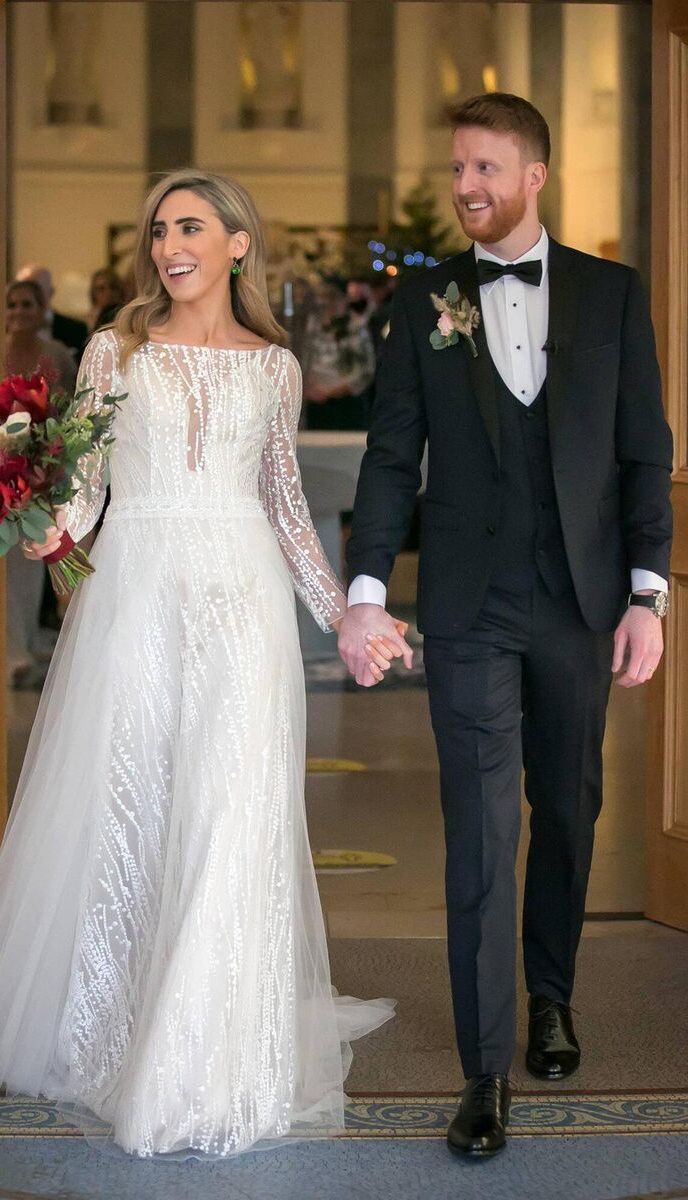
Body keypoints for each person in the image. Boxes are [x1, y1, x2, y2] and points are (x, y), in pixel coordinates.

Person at [0, 169, 396, 1159]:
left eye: (190, 225)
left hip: (243, 608)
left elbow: (283, 505)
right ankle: (114, 1037)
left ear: (236, 243)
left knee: (234, 817)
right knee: (134, 813)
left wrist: (344, 616)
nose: (169, 244)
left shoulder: (273, 367)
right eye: (157, 231)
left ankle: (212, 1061)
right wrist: (23, 508)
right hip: (134, 599)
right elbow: (86, 489)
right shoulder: (114, 350)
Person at [339, 93, 673, 1158]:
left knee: (569, 809)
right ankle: (484, 1072)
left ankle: (552, 998)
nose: (467, 187)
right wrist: (363, 590)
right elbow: (393, 456)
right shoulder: (425, 302)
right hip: (470, 606)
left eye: (486, 168)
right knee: (482, 833)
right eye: (458, 170)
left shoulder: (612, 295)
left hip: (580, 603)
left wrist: (649, 598)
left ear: (534, 175)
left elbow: (641, 456)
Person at [4, 279, 77, 684]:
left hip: (42, 466)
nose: (19, 312)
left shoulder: (56, 355)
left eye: (27, 304)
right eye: (12, 304)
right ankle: (9, 648)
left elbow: (68, 410)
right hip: (2, 466)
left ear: (42, 308)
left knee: (36, 558)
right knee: (9, 561)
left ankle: (27, 641)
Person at [302, 278, 375, 430]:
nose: (329, 305)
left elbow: (366, 370)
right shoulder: (310, 327)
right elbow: (302, 359)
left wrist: (333, 391)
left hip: (346, 405)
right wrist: (307, 388)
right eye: (325, 300)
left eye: (334, 299)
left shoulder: (355, 328)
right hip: (316, 404)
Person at [15, 264, 88, 361]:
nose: (29, 294)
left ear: (51, 291)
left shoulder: (77, 330)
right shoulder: (1, 332)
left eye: (36, 289)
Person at [87, 266, 125, 337]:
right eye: (101, 289)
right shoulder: (91, 315)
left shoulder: (124, 316)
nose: (108, 292)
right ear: (93, 294)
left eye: (113, 287)